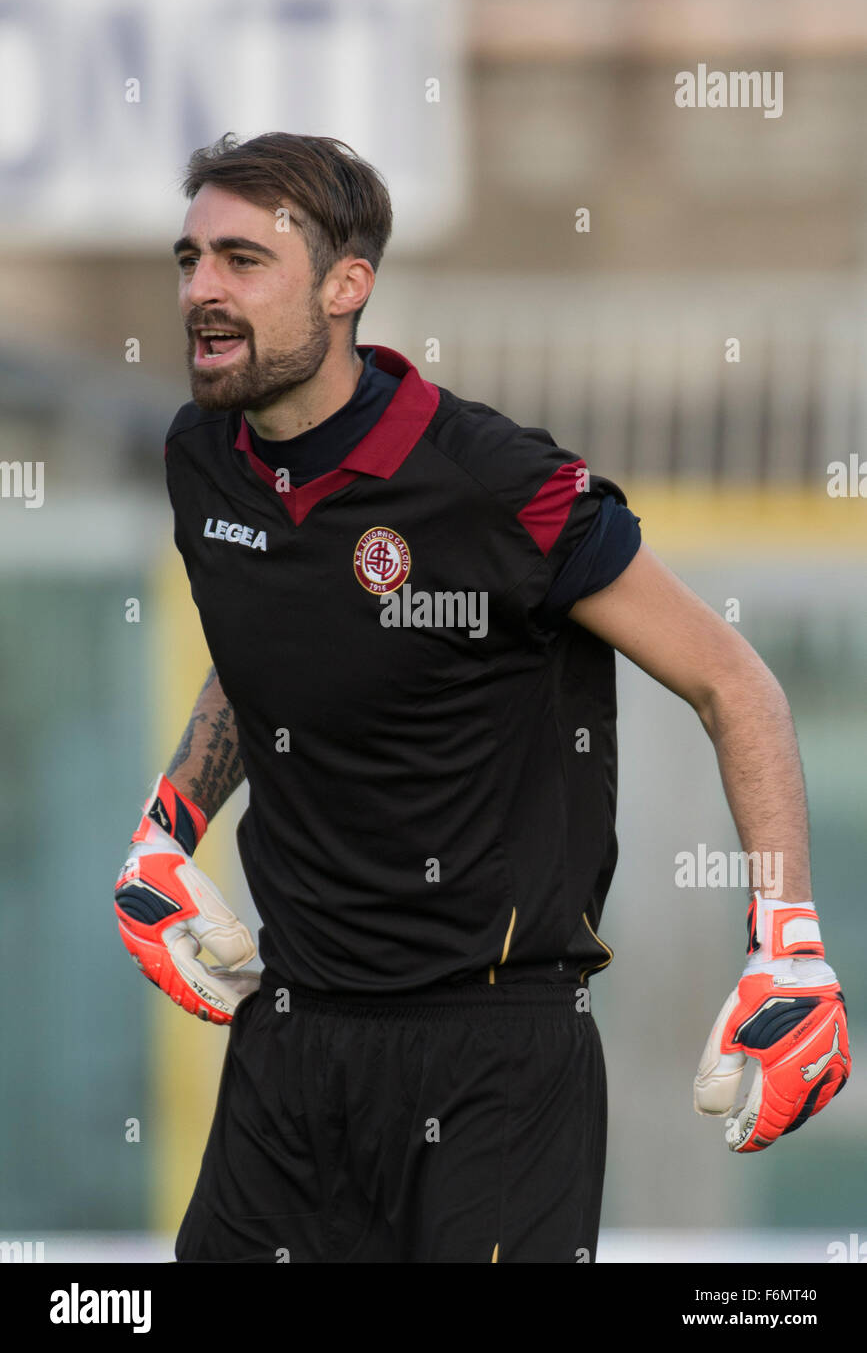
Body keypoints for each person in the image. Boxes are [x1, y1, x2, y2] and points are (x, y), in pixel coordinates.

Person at [114, 132, 850, 1264]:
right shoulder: (200, 455)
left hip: (495, 1065)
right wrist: (167, 828)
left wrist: (788, 943)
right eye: (190, 257)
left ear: (346, 285)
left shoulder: (500, 484)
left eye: (243, 260)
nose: (201, 290)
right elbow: (268, 647)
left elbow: (734, 683)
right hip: (292, 1044)